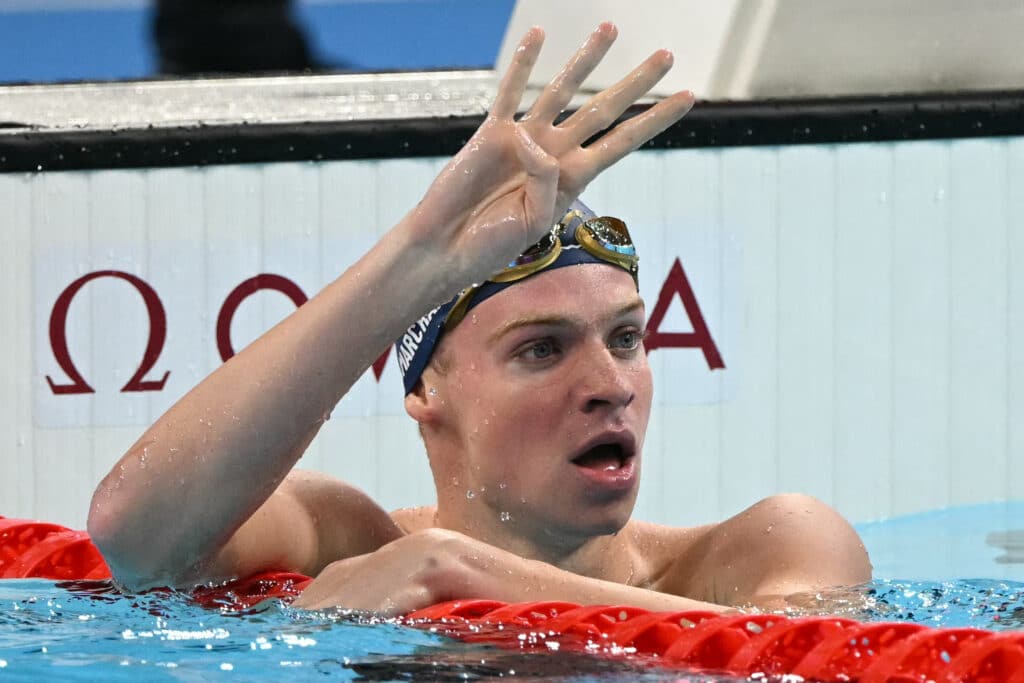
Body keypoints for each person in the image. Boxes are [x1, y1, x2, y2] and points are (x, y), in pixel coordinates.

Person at [88, 23, 871, 615]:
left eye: (626, 338)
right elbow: (137, 537)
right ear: (428, 389)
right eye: (541, 349)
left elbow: (802, 656)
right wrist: (415, 259)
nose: (610, 386)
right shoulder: (353, 543)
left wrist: (469, 574)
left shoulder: (769, 548)